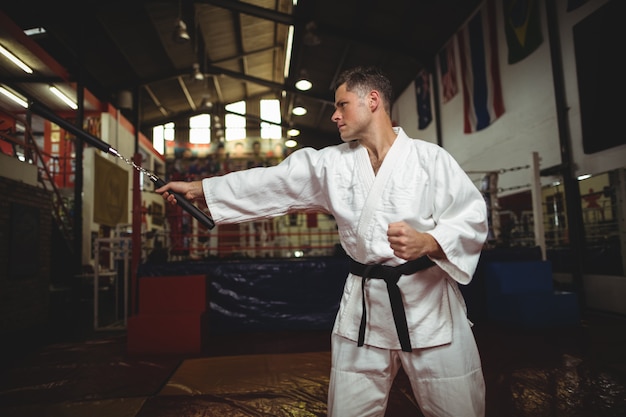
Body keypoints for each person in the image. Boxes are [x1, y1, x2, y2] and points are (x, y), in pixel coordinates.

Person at [157, 66, 488, 417]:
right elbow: (272, 183)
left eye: (342, 105)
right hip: (365, 311)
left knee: (457, 407)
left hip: (429, 307)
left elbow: (471, 217)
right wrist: (200, 189)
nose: (334, 115)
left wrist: (429, 242)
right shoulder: (332, 165)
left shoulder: (430, 159)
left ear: (372, 100)